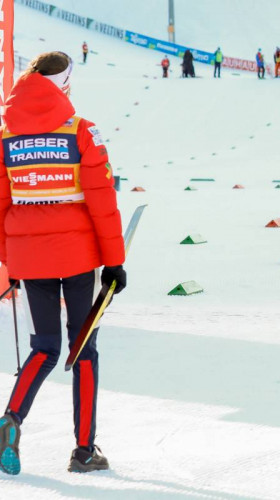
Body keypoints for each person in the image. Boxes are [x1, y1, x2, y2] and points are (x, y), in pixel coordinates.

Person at [0, 51, 126, 475]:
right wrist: (114, 263)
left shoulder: (5, 134)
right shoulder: (81, 130)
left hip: (30, 257)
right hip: (76, 254)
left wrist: (10, 255)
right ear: (64, 83)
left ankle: (11, 419)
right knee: (82, 346)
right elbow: (102, 201)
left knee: (45, 346)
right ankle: (84, 449)